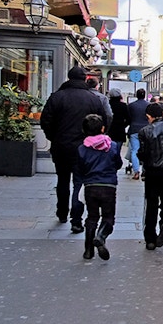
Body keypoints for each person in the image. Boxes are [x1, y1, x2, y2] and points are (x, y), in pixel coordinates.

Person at [40, 66, 109, 232]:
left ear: (68, 78)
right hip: (85, 148)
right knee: (79, 182)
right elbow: (104, 121)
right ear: (85, 79)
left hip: (61, 147)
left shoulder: (57, 97)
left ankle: (62, 212)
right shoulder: (93, 99)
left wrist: (54, 137)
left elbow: (45, 121)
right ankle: (76, 220)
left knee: (62, 180)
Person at [73, 114, 121, 260]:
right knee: (108, 217)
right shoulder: (112, 146)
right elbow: (118, 164)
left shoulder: (82, 149)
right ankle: (101, 236)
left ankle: (88, 251)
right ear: (102, 128)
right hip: (108, 186)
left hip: (90, 186)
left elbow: (79, 169)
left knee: (92, 217)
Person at [137, 102, 163, 250]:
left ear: (149, 116)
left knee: (152, 204)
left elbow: (142, 154)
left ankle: (150, 238)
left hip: (152, 173)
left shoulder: (144, 131)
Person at [126, 89, 150, 180]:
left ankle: (136, 172)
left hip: (134, 129)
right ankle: (145, 171)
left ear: (136, 95)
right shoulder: (149, 105)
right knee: (146, 151)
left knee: (135, 151)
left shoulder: (131, 106)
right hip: (146, 130)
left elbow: (128, 118)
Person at [108, 89, 130, 155]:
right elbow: (129, 119)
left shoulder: (108, 104)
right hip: (119, 131)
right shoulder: (123, 106)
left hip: (109, 130)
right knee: (117, 152)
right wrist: (123, 125)